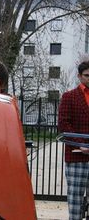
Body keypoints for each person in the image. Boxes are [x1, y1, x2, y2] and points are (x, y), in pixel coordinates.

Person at [58, 60, 89, 220]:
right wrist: (81, 143)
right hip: (76, 156)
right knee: (75, 201)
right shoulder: (69, 97)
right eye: (87, 75)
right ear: (79, 76)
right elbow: (63, 124)